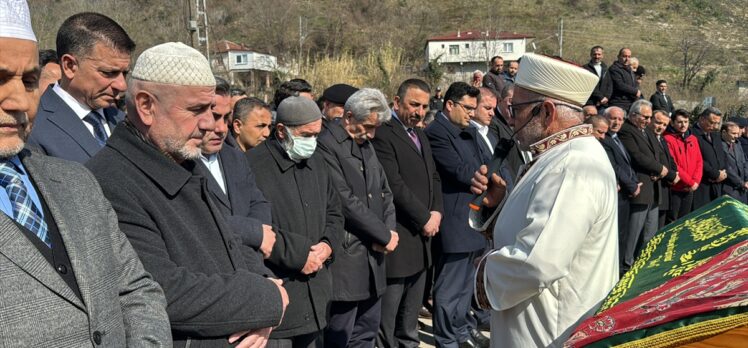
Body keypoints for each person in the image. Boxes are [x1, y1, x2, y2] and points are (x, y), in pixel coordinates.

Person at [86, 42, 288, 347]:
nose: (209, 124)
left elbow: (230, 245)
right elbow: (160, 289)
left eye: (211, 109)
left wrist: (263, 296)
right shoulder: (109, 181)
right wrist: (265, 299)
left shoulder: (181, 159)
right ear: (145, 105)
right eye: (196, 110)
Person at [0, 2, 171, 345]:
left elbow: (136, 290)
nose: (19, 101)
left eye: (30, 81)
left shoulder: (75, 181)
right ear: (68, 66)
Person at [471, 53, 618, 347]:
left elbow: (537, 263)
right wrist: (496, 205)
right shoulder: (561, 154)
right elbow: (539, 228)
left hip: (550, 331)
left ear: (547, 111)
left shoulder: (572, 165)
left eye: (515, 108)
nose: (509, 117)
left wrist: (478, 272)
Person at [248, 96, 344, 347]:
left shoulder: (318, 162)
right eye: (306, 135)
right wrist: (300, 256)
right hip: (281, 295)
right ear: (281, 131)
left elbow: (334, 211)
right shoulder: (252, 165)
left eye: (316, 134)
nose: (312, 142)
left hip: (318, 294)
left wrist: (328, 245)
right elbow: (255, 229)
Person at [318, 89, 398, 348]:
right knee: (341, 333)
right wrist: (383, 235)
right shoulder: (327, 144)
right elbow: (344, 200)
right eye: (367, 127)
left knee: (366, 332)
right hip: (348, 255)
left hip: (374, 258)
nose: (371, 134)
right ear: (348, 116)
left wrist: (389, 232)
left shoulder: (367, 145)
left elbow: (384, 191)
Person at [371, 79, 443, 348]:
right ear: (397, 102)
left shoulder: (420, 134)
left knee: (409, 321)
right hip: (400, 240)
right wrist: (424, 218)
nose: (420, 111)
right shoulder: (383, 133)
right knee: (388, 322)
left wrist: (436, 212)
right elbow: (394, 184)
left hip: (423, 241)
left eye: (424, 106)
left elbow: (433, 176)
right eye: (414, 104)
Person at [425, 82, 490, 348]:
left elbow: (488, 161)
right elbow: (461, 171)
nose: (472, 114)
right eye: (467, 108)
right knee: (449, 290)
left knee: (465, 288)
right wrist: (484, 177)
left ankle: (461, 332)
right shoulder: (437, 132)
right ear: (449, 104)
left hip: (474, 218)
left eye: (474, 109)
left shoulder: (470, 131)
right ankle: (446, 340)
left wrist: (486, 177)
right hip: (454, 220)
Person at [28, 12, 131, 163]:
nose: (122, 85)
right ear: (69, 66)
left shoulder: (125, 122)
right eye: (109, 73)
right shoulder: (32, 128)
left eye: (124, 73)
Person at [198, 76, 276, 261]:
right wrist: (253, 232)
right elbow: (197, 220)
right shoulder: (179, 161)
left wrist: (258, 239)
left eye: (226, 118)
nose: (222, 128)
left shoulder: (234, 156)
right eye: (213, 117)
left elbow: (258, 203)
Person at [617, 100, 670, 272]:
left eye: (649, 117)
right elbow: (637, 156)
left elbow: (659, 153)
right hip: (641, 187)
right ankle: (627, 265)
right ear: (633, 115)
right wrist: (659, 168)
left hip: (654, 189)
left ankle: (643, 265)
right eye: (645, 117)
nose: (648, 120)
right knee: (634, 232)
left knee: (650, 232)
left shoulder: (647, 131)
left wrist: (663, 170)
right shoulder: (626, 130)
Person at [600, 106, 639, 274]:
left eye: (620, 119)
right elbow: (614, 166)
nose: (617, 122)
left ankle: (618, 271)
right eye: (613, 118)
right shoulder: (603, 139)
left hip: (625, 193)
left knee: (622, 233)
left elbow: (627, 164)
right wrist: (631, 185)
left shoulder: (617, 139)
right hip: (617, 192)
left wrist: (635, 182)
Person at [663, 109, 703, 221]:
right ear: (672, 123)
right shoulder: (667, 139)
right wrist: (690, 182)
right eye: (680, 122)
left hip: (690, 189)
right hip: (676, 188)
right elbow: (673, 164)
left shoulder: (693, 139)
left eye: (686, 121)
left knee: (685, 220)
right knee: (672, 221)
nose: (683, 125)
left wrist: (695, 181)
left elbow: (699, 161)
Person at [692, 106, 727, 209]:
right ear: (702, 119)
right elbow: (697, 160)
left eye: (717, 123)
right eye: (712, 122)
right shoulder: (692, 134)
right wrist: (714, 174)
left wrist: (722, 173)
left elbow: (721, 156)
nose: (715, 126)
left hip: (717, 184)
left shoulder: (715, 135)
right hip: (702, 184)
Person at [650, 110, 679, 228]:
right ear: (650, 120)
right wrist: (671, 175)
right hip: (654, 189)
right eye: (658, 123)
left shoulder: (662, 138)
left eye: (664, 125)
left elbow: (670, 159)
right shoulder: (648, 137)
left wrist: (675, 173)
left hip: (665, 189)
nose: (661, 127)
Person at [720, 121, 748, 202]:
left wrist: (746, 179)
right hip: (728, 187)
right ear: (724, 132)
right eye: (733, 133)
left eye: (737, 133)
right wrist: (741, 183)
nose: (736, 136)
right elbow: (727, 167)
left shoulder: (737, 143)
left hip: (742, 188)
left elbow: (744, 161)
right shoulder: (719, 145)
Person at [608, 48, 641, 112]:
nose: (627, 59)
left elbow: (634, 83)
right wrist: (635, 91)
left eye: (629, 56)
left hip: (630, 103)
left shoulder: (629, 69)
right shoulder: (614, 69)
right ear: (618, 57)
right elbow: (619, 85)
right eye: (624, 56)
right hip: (619, 103)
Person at [582, 46, 612, 110]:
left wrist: (606, 97)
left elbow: (610, 84)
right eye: (594, 54)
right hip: (590, 103)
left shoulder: (605, 68)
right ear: (591, 55)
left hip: (603, 104)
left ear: (602, 55)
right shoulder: (585, 68)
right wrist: (600, 97)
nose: (597, 56)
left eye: (599, 54)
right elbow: (589, 85)